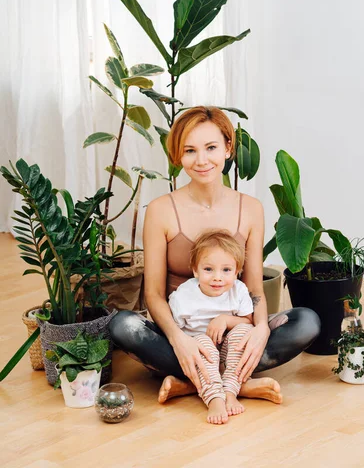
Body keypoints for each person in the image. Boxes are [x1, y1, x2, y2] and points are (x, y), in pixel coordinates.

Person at [110, 106, 321, 405]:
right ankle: (235, 384)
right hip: (182, 333)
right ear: (178, 156)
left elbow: (254, 288)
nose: (202, 160)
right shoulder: (160, 210)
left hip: (235, 332)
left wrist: (260, 329)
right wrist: (178, 340)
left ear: (227, 148)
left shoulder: (250, 209)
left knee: (307, 321)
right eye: (190, 151)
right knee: (123, 326)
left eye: (211, 147)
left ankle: (195, 383)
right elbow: (154, 295)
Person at [169, 229, 280, 425]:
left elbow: (248, 321)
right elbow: (177, 332)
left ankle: (230, 390)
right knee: (201, 343)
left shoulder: (238, 290)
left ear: (237, 271)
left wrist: (225, 320)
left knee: (245, 331)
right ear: (195, 270)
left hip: (230, 349)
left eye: (226, 270)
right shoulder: (184, 296)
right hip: (201, 348)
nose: (217, 277)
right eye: (208, 269)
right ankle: (215, 398)